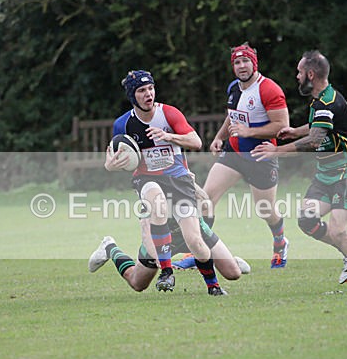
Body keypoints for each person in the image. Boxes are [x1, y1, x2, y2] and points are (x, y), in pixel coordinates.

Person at [252, 50, 347, 293]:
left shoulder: (327, 101)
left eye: (300, 72)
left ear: (311, 74)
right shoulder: (319, 100)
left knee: (337, 230)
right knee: (307, 219)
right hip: (327, 172)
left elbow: (314, 141)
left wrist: (276, 150)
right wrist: (294, 131)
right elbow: (317, 127)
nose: (297, 76)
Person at [103, 69, 228, 295]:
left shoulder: (169, 114)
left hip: (178, 181)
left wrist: (169, 136)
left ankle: (214, 287)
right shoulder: (123, 125)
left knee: (194, 240)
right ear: (133, 96)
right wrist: (111, 165)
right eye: (141, 91)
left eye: (150, 88)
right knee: (158, 203)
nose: (148, 94)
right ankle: (167, 272)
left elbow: (196, 141)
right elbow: (111, 161)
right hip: (146, 180)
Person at [178, 43, 290, 269]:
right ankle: (201, 251)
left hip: (261, 157)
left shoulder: (269, 89)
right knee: (205, 199)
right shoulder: (234, 88)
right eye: (237, 62)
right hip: (234, 153)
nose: (241, 66)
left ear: (254, 63)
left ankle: (280, 242)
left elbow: (282, 126)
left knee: (265, 209)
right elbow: (232, 117)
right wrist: (220, 137)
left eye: (246, 61)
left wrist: (250, 132)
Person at [87, 216, 251, 292]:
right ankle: (109, 247)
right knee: (137, 283)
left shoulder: (181, 177)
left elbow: (206, 204)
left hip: (195, 233)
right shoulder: (149, 191)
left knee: (233, 274)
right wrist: (158, 258)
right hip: (160, 242)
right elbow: (146, 234)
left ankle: (218, 261)